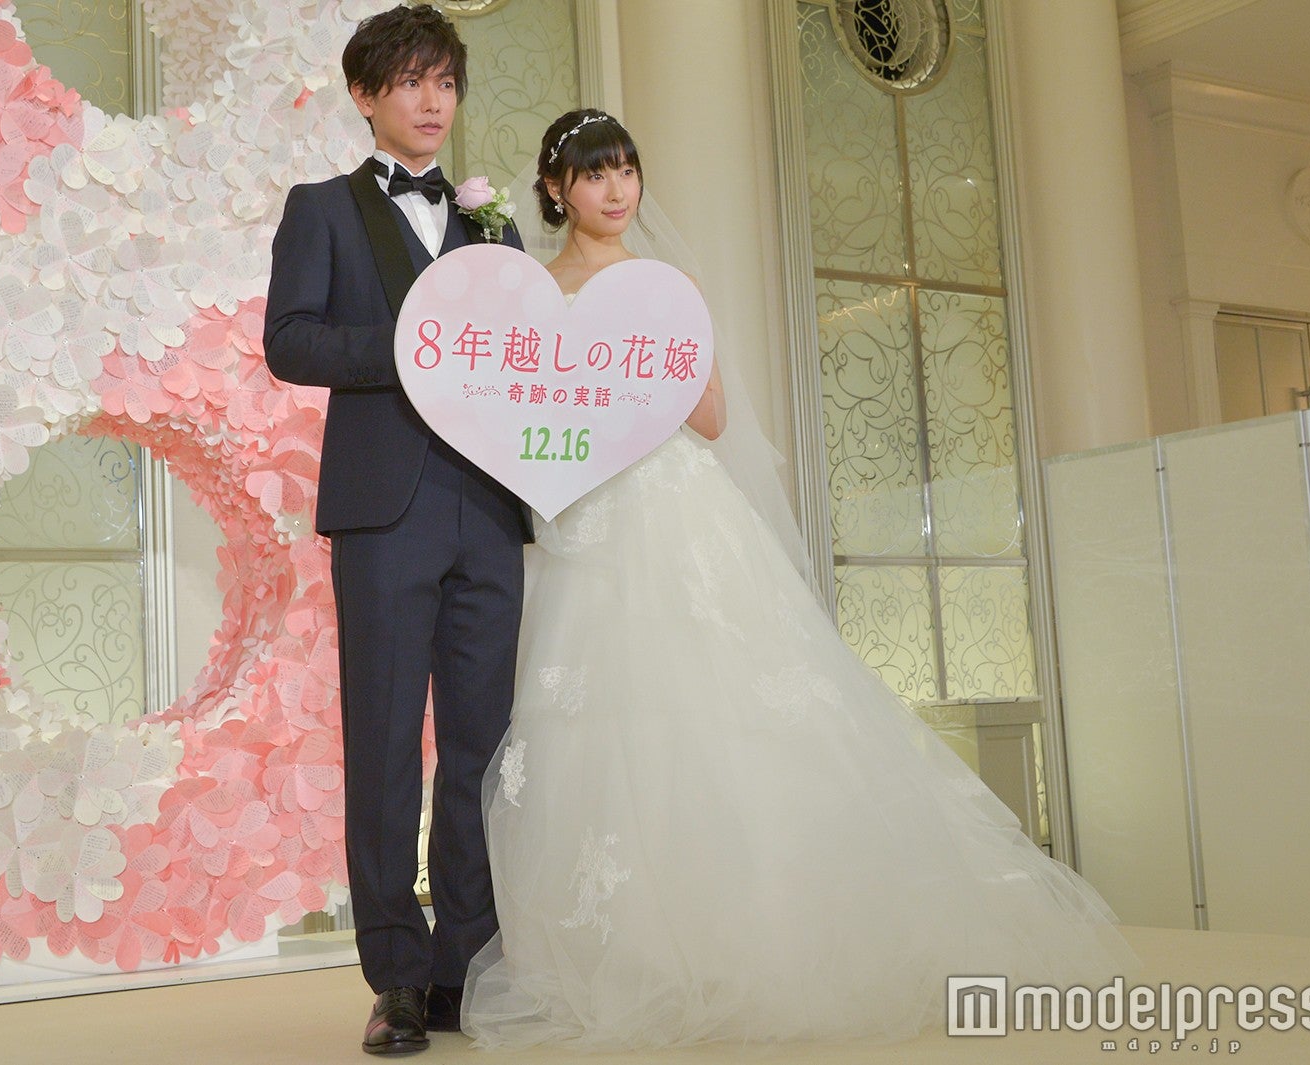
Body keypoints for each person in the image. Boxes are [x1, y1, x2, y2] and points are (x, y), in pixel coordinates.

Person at [460, 109, 1137, 1049]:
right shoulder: (535, 289)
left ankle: (745, 939)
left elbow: (711, 418)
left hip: (669, 509)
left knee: (714, 706)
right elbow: (523, 413)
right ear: (554, 188)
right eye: (594, 173)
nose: (617, 191)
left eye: (627, 171)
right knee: (601, 721)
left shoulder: (665, 283)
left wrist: (636, 384)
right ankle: (635, 950)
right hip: (585, 522)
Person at [262, 5, 530, 1056]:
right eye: (411, 81)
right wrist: (413, 346)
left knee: (482, 748)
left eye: (446, 83)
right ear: (365, 95)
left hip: (490, 507)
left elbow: (524, 358)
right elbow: (290, 342)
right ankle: (397, 978)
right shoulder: (321, 208)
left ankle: (467, 966)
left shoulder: (492, 221)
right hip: (383, 510)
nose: (432, 101)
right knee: (382, 745)